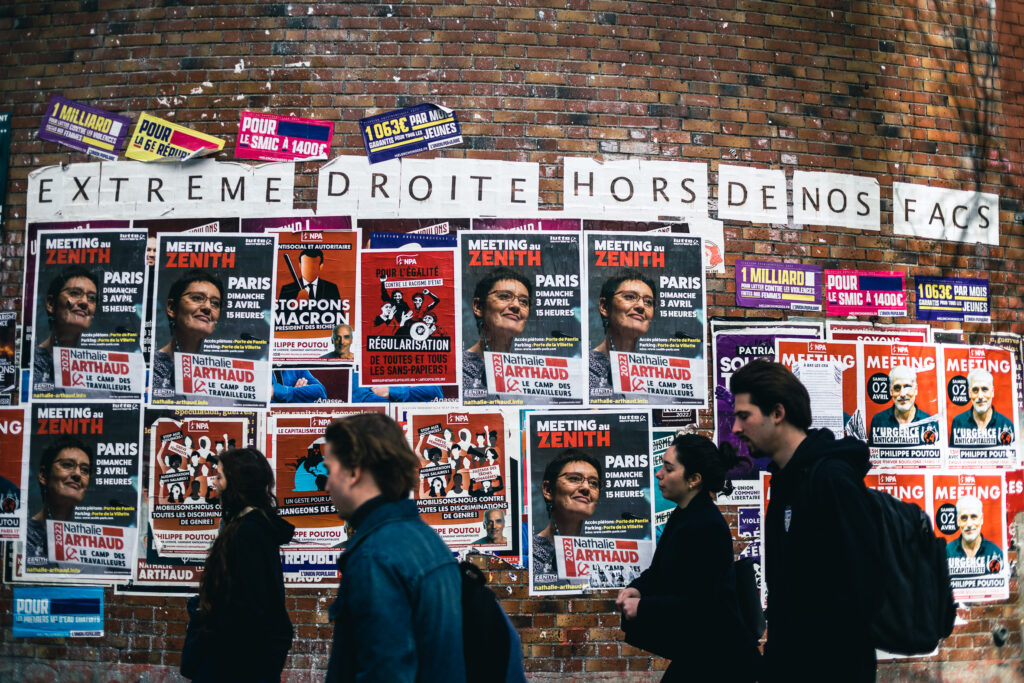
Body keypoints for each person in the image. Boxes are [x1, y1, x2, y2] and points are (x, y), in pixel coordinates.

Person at [730, 359, 881, 682]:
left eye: (744, 416)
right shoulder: (786, 482)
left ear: (777, 413)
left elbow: (863, 589)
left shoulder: (832, 480)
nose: (735, 429)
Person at [321, 413, 465, 682]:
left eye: (330, 470)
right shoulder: (424, 539)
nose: (327, 484)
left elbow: (385, 672)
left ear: (353, 471)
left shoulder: (374, 554)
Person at [615, 434, 760, 682]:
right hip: (701, 652)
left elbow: (703, 604)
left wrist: (643, 607)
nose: (659, 474)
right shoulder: (683, 514)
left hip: (723, 660)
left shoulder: (706, 526)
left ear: (694, 480)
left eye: (668, 469)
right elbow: (660, 570)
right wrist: (637, 589)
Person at [183, 447, 294, 682]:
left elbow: (251, 609)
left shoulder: (248, 533)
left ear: (237, 484)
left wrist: (207, 617)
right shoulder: (244, 526)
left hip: (236, 665)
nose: (214, 482)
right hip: (237, 661)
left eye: (220, 477)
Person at [532, 449, 602, 587]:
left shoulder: (603, 556)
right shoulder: (529, 552)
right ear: (548, 490)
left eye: (593, 483)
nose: (586, 487)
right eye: (574, 479)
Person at [463, 267, 533, 399]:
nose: (516, 306)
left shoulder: (532, 374)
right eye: (505, 296)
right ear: (478, 306)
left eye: (524, 301)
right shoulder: (458, 368)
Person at [153, 269, 224, 395]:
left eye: (215, 303)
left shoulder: (221, 374)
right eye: (197, 298)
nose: (207, 307)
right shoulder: (149, 366)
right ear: (171, 308)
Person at [589, 269, 657, 399]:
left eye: (648, 302)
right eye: (630, 297)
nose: (641, 306)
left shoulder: (655, 372)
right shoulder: (584, 367)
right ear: (604, 306)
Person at [26, 437, 92, 566]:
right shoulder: (21, 534)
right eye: (67, 465)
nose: (77, 474)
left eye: (85, 470)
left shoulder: (91, 544)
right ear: (43, 475)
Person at [32, 266, 100, 389]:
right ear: (51, 303)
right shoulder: (32, 361)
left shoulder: (98, 369)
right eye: (74, 293)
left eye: (91, 298)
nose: (84, 302)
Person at [868, 365, 936, 446]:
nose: (903, 394)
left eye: (907, 387)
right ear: (890, 391)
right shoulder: (878, 421)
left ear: (916, 390)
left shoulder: (930, 423)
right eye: (897, 388)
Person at [949, 368, 1015, 448]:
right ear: (969, 393)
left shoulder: (1006, 424)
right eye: (975, 390)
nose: (980, 396)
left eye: (984, 389)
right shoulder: (958, 422)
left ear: (992, 392)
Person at [946, 494, 1003, 576]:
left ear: (981, 519)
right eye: (964, 518)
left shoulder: (994, 552)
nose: (969, 524)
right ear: (958, 521)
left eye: (974, 517)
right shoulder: (947, 552)